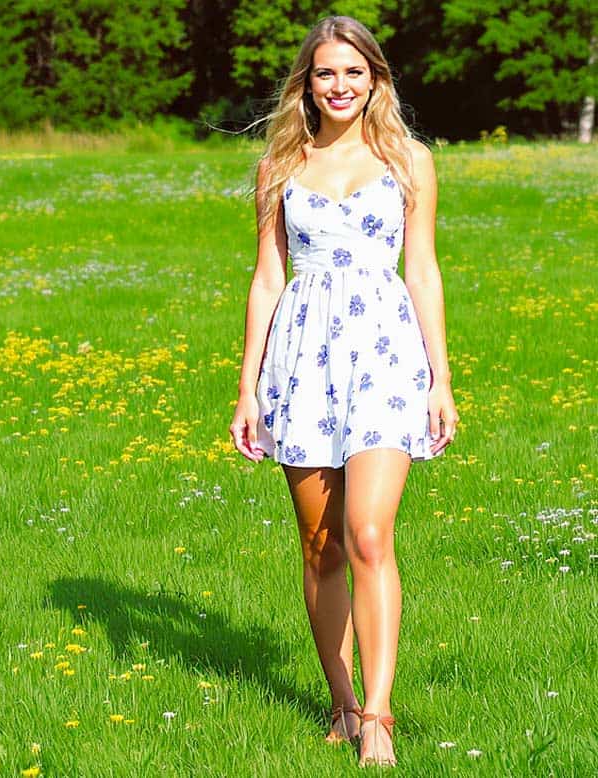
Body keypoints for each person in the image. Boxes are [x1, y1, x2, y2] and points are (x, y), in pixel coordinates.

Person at [229, 15, 459, 768]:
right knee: (321, 545)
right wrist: (247, 390)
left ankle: (380, 718)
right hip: (302, 359)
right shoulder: (278, 168)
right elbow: (268, 281)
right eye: (326, 73)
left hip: (387, 355)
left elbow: (422, 271)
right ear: (308, 81)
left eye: (354, 73)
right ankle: (341, 700)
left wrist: (440, 381)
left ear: (376, 80)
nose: (340, 86)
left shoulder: (409, 160)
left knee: (368, 534)